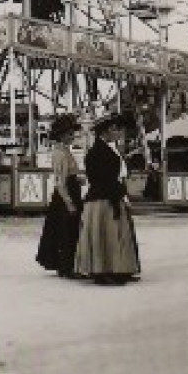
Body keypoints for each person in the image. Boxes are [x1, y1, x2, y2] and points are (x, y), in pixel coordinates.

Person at [74, 111, 141, 285]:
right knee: (107, 235)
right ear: (106, 131)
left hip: (107, 196)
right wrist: (119, 195)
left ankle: (117, 269)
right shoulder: (97, 152)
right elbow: (103, 179)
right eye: (115, 129)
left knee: (112, 235)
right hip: (103, 198)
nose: (118, 132)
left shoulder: (107, 149)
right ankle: (102, 272)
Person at [36, 113, 83, 278]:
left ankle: (67, 265)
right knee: (67, 231)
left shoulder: (65, 151)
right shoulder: (59, 153)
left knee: (70, 230)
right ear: (62, 134)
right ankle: (66, 267)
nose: (73, 136)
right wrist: (69, 202)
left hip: (71, 191)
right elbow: (60, 181)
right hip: (66, 195)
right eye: (70, 134)